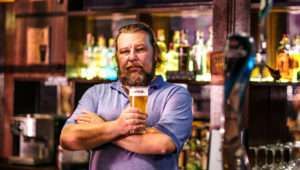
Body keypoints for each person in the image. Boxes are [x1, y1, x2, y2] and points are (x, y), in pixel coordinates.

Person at [60, 22, 193, 170]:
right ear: (117, 57)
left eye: (140, 49)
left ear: (155, 53)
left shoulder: (175, 95)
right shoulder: (96, 93)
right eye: (124, 51)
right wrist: (117, 127)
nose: (132, 57)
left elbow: (162, 144)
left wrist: (100, 127)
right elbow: (68, 138)